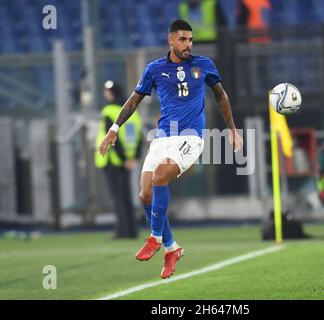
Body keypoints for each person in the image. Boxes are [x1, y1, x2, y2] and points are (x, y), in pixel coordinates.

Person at [98, 19, 243, 279]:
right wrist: (114, 129)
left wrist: (232, 130)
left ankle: (154, 237)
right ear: (171, 41)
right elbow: (134, 100)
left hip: (191, 136)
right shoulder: (155, 69)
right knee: (144, 195)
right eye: (183, 39)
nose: (189, 44)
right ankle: (171, 247)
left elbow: (221, 96)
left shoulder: (204, 65)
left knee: (160, 176)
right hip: (164, 136)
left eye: (191, 39)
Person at [95, 80, 143, 239]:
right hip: (128, 161)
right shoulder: (133, 112)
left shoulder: (108, 111)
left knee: (118, 197)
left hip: (113, 160)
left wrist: (123, 158)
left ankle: (122, 231)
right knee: (127, 197)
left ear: (111, 93)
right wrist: (133, 158)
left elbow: (113, 139)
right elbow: (139, 138)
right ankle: (132, 230)